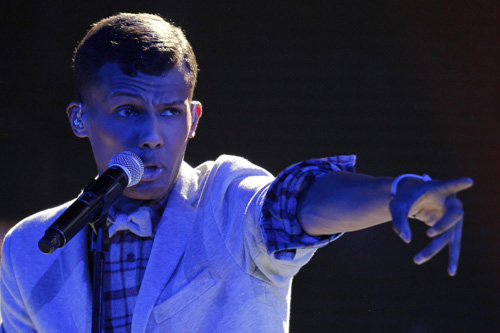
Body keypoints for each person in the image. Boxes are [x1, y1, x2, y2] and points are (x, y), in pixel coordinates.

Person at [0, 13, 473, 332]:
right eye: (127, 111)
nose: (151, 135)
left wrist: (394, 190)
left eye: (169, 111)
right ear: (80, 119)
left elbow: (298, 202)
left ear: (194, 118)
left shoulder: (226, 197)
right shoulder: (29, 245)